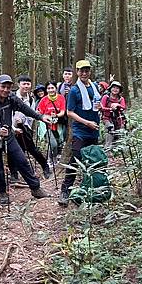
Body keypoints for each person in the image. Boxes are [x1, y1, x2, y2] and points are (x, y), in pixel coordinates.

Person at [0, 74, 53, 204]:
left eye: (8, 87)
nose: (6, 90)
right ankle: (2, 192)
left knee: (21, 160)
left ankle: (35, 188)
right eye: (3, 86)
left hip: (8, 134)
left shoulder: (11, 98)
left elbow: (24, 108)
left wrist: (40, 117)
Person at [58, 60, 102, 207]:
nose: (84, 73)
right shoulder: (74, 91)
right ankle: (65, 191)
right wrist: (86, 122)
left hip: (94, 130)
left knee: (93, 160)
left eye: (86, 70)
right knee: (75, 160)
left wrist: (100, 108)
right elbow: (70, 112)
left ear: (90, 71)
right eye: (81, 71)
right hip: (80, 131)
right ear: (77, 72)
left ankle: (92, 190)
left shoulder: (95, 86)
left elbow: (97, 104)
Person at [9, 75, 50, 181]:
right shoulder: (11, 97)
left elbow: (30, 114)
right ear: (18, 84)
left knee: (32, 149)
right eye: (24, 84)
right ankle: (14, 174)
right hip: (11, 128)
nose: (26, 86)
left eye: (28, 84)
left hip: (25, 127)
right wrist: (13, 127)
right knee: (12, 151)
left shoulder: (31, 99)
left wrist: (25, 125)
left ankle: (45, 166)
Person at [36, 81, 67, 165]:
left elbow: (62, 111)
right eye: (49, 88)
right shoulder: (44, 100)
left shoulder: (61, 98)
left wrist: (56, 115)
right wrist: (45, 116)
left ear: (56, 89)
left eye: (52, 88)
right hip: (46, 125)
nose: (51, 90)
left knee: (59, 142)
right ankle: (51, 159)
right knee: (53, 144)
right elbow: (39, 112)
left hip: (58, 124)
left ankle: (54, 158)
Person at [101, 81, 127, 150]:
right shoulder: (106, 97)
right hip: (107, 118)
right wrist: (110, 109)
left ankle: (119, 149)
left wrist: (117, 105)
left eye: (117, 88)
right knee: (110, 129)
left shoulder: (121, 99)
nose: (115, 90)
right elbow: (102, 107)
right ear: (110, 88)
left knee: (120, 130)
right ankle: (107, 149)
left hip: (118, 118)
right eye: (114, 87)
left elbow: (123, 107)